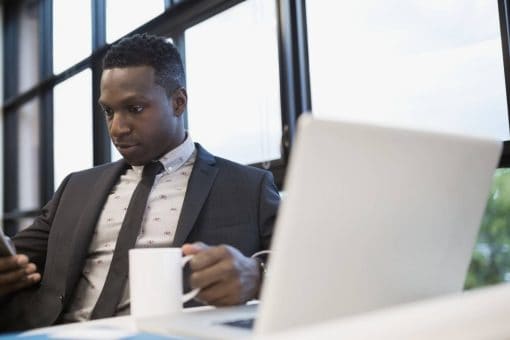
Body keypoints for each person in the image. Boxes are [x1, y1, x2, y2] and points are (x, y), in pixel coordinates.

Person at [0, 33, 280, 332]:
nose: (116, 128)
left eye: (134, 109)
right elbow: (16, 260)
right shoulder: (75, 188)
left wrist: (258, 275)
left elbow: (310, 268)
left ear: (178, 102)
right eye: (108, 111)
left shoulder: (249, 186)